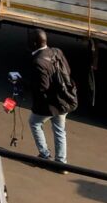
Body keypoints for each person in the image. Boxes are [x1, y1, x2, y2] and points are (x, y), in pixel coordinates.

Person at [27, 29, 76, 169]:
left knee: (34, 122)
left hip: (51, 104)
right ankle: (61, 163)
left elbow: (43, 87)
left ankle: (44, 155)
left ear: (34, 43)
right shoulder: (57, 51)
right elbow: (68, 71)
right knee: (59, 130)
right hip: (65, 100)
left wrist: (24, 84)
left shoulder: (38, 61)